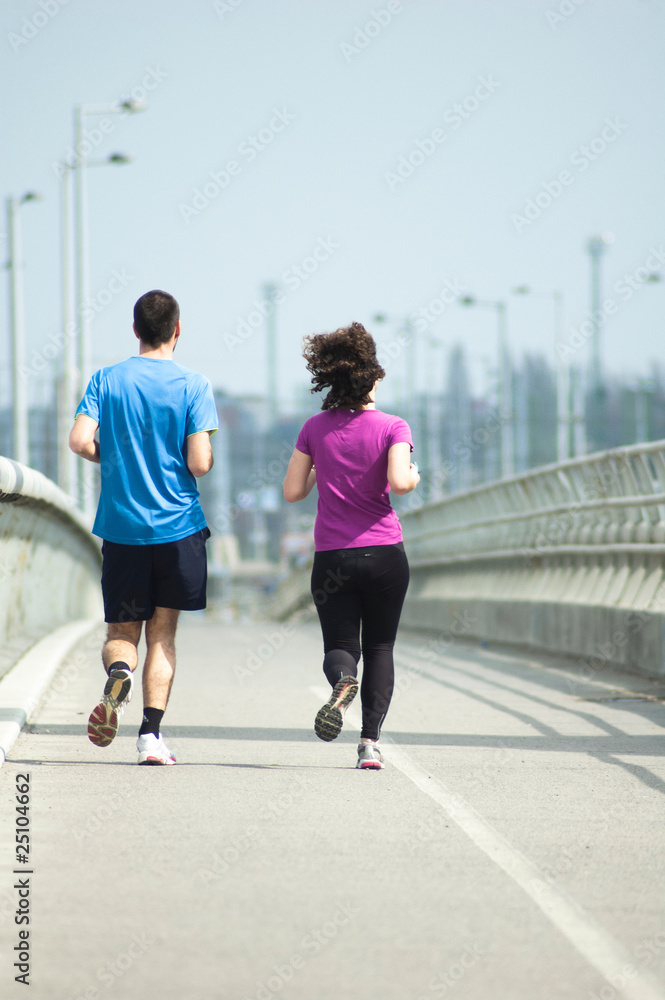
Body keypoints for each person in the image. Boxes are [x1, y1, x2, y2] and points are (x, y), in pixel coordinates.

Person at [69, 289, 218, 765]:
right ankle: (150, 737)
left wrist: (114, 457)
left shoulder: (106, 379)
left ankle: (119, 672)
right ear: (177, 330)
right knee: (163, 635)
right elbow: (199, 463)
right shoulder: (194, 384)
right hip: (178, 528)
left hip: (122, 529)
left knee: (122, 630)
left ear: (135, 329)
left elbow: (79, 441)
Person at [283, 321, 420, 770]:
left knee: (341, 645)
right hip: (384, 554)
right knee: (380, 647)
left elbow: (293, 492)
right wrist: (415, 473)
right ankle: (369, 745)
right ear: (373, 376)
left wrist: (323, 466)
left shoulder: (314, 428)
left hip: (333, 557)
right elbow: (400, 481)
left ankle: (343, 680)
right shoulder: (393, 426)